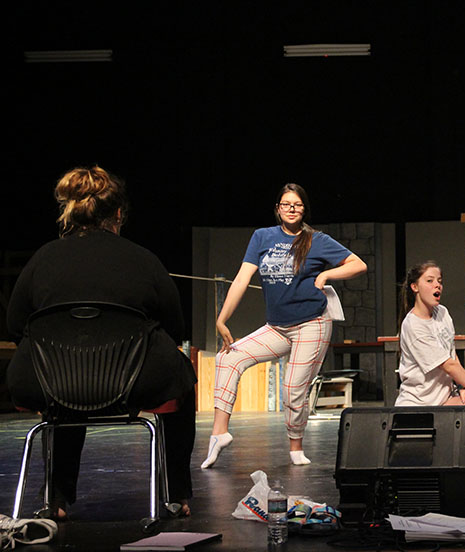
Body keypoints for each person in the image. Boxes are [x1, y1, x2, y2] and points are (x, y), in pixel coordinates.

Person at [6, 165, 197, 519]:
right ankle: (175, 493)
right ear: (119, 214)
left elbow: (15, 324)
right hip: (134, 383)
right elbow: (176, 326)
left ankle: (57, 498)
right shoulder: (143, 259)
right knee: (182, 375)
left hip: (52, 384)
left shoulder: (43, 258)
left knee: (64, 377)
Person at [201, 183, 367, 469]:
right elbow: (241, 279)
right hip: (277, 327)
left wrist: (326, 273)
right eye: (286, 204)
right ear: (277, 208)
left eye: (298, 204)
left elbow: (358, 264)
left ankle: (295, 446)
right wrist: (221, 319)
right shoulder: (261, 237)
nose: (292, 208)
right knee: (227, 358)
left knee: (291, 389)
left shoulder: (317, 239)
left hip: (312, 324)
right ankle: (219, 434)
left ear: (304, 210)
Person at [395, 261, 465, 407]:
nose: (437, 285)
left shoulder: (442, 312)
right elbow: (448, 365)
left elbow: (452, 356)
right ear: (415, 287)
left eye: (439, 281)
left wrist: (463, 388)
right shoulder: (413, 325)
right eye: (429, 281)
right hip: (419, 404)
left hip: (445, 399)